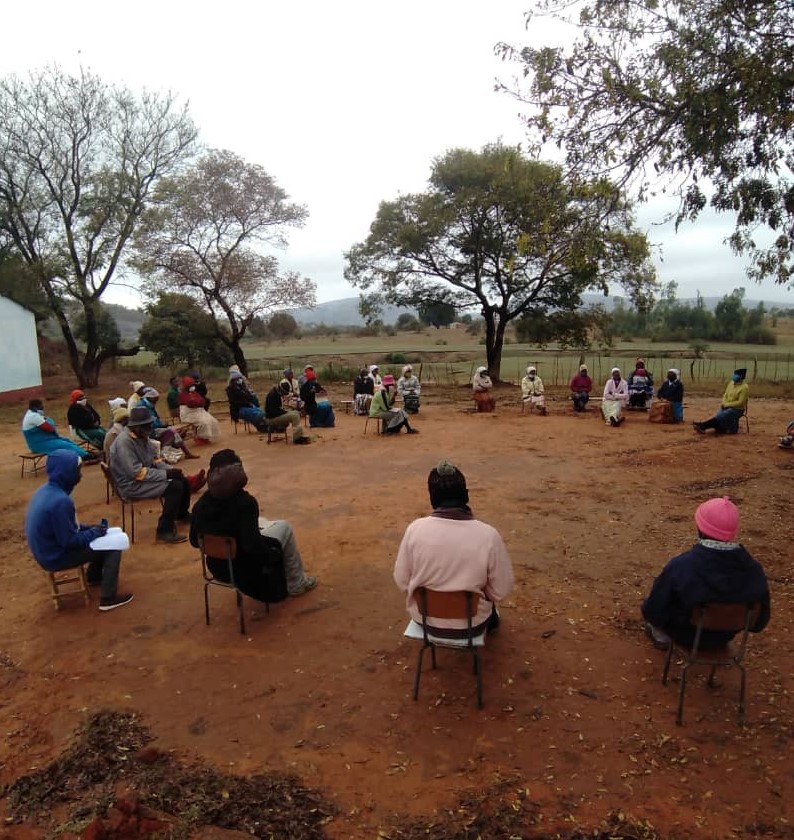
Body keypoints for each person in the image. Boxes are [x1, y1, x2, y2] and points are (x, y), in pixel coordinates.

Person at [394, 460, 514, 635]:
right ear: (466, 495)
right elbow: (500, 590)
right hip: (472, 625)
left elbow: (402, 581)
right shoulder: (488, 535)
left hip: (425, 620)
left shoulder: (415, 530)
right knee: (489, 605)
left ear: (432, 498)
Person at [641, 496, 770, 650]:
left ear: (699, 528)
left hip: (684, 634)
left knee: (661, 609)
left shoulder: (682, 566)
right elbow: (759, 622)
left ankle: (662, 637)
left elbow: (654, 610)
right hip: (724, 638)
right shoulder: (753, 570)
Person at [189, 449, 318, 599]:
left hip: (218, 569)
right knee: (285, 527)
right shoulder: (245, 503)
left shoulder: (201, 504)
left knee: (260, 524)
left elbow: (194, 541)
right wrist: (273, 555)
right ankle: (297, 583)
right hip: (246, 571)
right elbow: (252, 546)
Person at [24, 449, 133, 611]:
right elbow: (69, 541)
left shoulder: (47, 491)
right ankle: (108, 598)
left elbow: (66, 529)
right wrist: (95, 533)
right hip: (55, 556)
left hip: (47, 550)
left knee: (105, 535)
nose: (80, 476)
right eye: (77, 471)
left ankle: (93, 577)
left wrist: (91, 529)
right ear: (66, 473)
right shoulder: (61, 502)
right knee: (114, 545)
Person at [109, 407, 206, 544]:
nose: (150, 427)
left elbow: (155, 460)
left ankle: (181, 514)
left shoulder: (142, 437)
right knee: (174, 487)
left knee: (181, 480)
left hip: (141, 478)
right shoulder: (125, 442)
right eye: (147, 425)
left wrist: (171, 470)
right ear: (137, 427)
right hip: (130, 484)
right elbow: (136, 472)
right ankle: (164, 530)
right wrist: (165, 474)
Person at [22, 399, 100, 463]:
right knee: (65, 445)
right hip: (39, 444)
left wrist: (47, 421)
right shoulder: (34, 417)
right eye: (41, 407)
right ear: (36, 407)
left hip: (42, 441)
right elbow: (50, 428)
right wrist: (49, 421)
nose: (42, 408)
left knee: (67, 441)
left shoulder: (30, 414)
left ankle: (84, 453)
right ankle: (86, 456)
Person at [138, 387, 198, 460]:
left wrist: (162, 424)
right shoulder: (142, 407)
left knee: (172, 432)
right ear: (150, 397)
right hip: (149, 431)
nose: (156, 401)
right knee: (173, 432)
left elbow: (155, 419)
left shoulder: (148, 405)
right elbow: (150, 423)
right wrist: (162, 425)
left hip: (154, 428)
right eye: (155, 399)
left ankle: (181, 447)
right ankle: (186, 452)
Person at [693, 368, 749, 435]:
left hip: (737, 409)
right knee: (719, 415)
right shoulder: (731, 383)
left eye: (736, 375)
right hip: (727, 406)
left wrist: (727, 405)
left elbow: (741, 402)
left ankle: (703, 426)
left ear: (741, 377)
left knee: (721, 416)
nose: (734, 376)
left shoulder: (744, 388)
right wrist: (724, 402)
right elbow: (725, 394)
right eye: (734, 374)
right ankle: (719, 428)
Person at [179, 376, 221, 443]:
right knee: (203, 422)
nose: (192, 386)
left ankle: (207, 437)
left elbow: (202, 400)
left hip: (198, 411)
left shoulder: (194, 393)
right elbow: (190, 404)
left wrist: (197, 402)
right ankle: (200, 437)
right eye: (191, 385)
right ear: (186, 386)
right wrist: (197, 402)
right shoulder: (182, 394)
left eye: (192, 385)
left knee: (212, 420)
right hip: (188, 414)